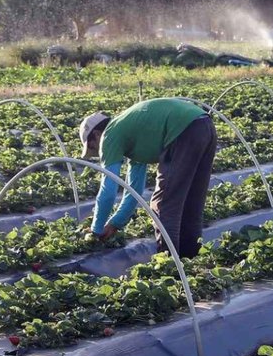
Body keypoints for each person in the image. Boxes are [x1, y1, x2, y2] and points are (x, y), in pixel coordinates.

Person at [79, 97, 217, 258]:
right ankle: (190, 260)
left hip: (183, 130)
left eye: (91, 146)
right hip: (204, 124)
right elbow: (134, 191)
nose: (96, 152)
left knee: (163, 205)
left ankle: (170, 265)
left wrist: (96, 230)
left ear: (96, 134)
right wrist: (115, 222)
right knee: (191, 203)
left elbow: (108, 190)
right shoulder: (131, 134)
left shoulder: (110, 135)